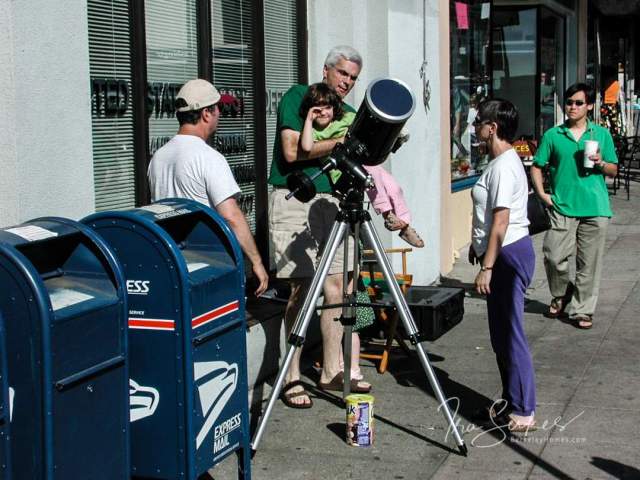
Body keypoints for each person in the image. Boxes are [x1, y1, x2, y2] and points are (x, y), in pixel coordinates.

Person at [268, 45, 370, 409]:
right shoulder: (300, 96)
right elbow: (293, 151)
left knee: (341, 285)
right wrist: (339, 143)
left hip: (335, 204)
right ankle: (291, 375)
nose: (347, 82)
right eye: (343, 74)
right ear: (326, 70)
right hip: (296, 197)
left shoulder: (350, 113)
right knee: (301, 287)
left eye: (354, 78)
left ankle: (332, 369)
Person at [148, 78, 268, 297]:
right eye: (218, 108)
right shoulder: (209, 157)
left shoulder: (158, 157)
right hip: (208, 265)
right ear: (206, 114)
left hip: (171, 264)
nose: (219, 114)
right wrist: (257, 262)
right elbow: (231, 216)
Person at [469, 99, 537, 431]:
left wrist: (488, 266)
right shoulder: (499, 163)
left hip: (509, 255)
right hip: (502, 253)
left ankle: (524, 410)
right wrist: (477, 247)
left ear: (492, 127)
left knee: (511, 335)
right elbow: (489, 222)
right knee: (500, 336)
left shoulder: (504, 166)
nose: (475, 127)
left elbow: (501, 222)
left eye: (478, 122)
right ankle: (511, 402)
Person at [531, 83, 618, 329]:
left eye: (579, 103)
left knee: (589, 263)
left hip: (595, 206)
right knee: (553, 255)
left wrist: (601, 163)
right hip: (562, 205)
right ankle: (561, 294)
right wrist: (541, 193)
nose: (573, 107)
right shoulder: (553, 135)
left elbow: (613, 169)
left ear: (589, 106)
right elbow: (537, 166)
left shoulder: (600, 134)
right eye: (569, 102)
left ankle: (582, 310)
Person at [299, 82, 424, 248]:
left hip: (365, 162)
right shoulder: (315, 131)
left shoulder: (345, 119)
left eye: (327, 107)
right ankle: (388, 215)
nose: (323, 112)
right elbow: (307, 147)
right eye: (317, 109)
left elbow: (372, 127)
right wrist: (308, 119)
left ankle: (404, 224)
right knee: (374, 181)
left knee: (394, 188)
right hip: (345, 171)